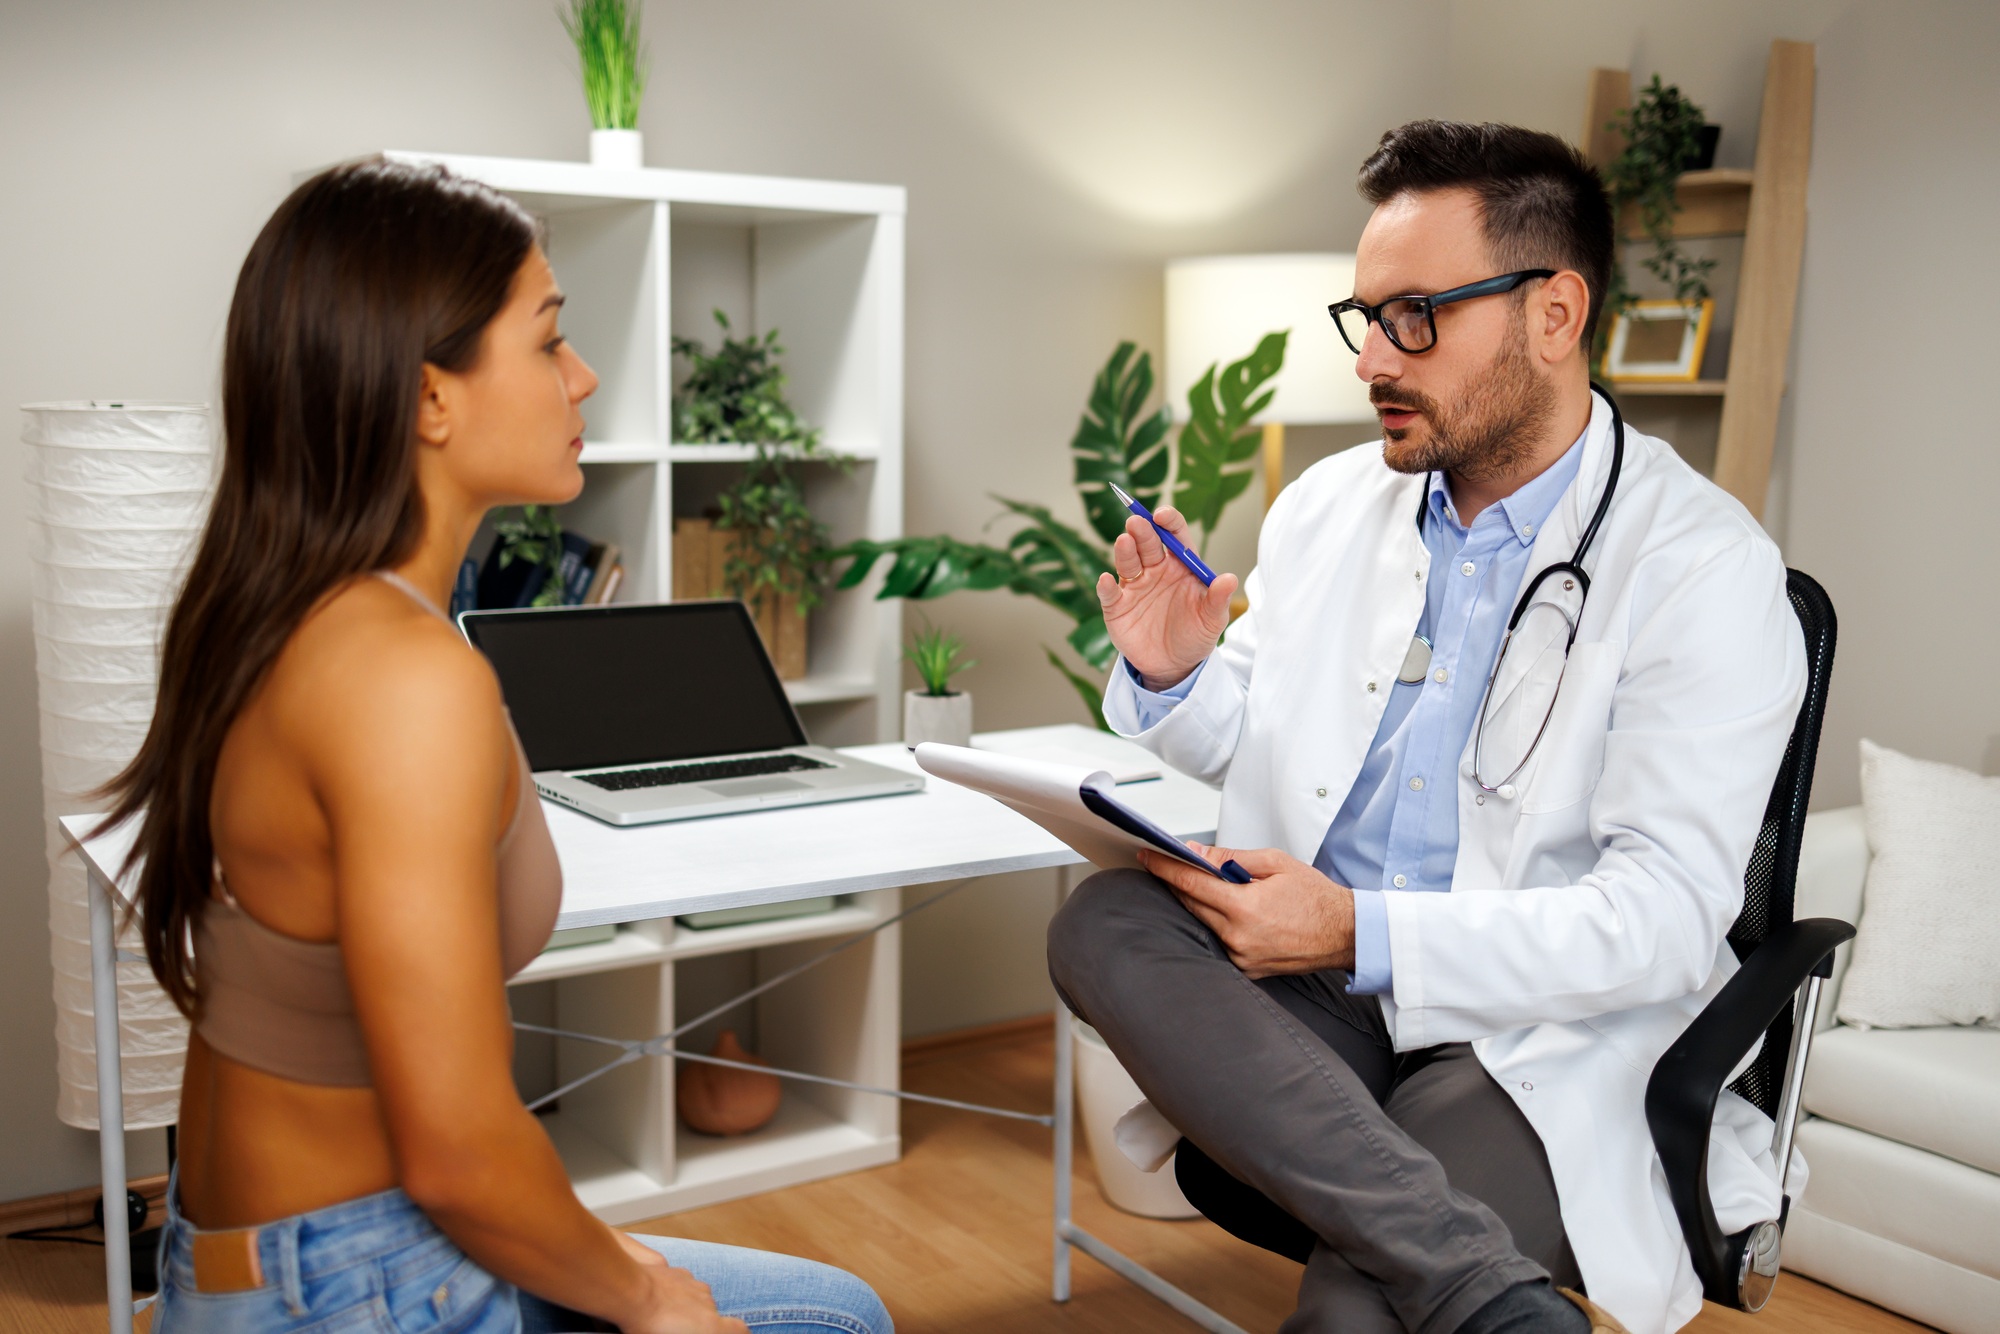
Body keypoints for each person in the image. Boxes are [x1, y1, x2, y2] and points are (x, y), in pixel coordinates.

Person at [104, 159, 893, 1334]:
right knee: (832, 1323)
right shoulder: (404, 678)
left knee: (827, 1300)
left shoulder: (289, 608)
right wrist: (649, 1298)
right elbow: (461, 1153)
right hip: (355, 1283)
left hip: (276, 1254)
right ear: (431, 397)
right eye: (549, 338)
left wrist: (611, 1260)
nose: (583, 376)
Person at [1047, 120, 1806, 1334]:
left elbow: (1662, 922)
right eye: (1364, 318)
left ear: (1551, 314)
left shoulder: (1702, 567)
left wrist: (1357, 925)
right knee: (1105, 921)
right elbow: (1267, 739)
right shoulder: (1327, 506)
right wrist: (1175, 670)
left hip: (1529, 1025)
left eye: (1413, 317)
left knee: (1357, 1313)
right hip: (1318, 990)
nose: (1369, 361)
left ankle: (1447, 1271)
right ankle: (1484, 1286)